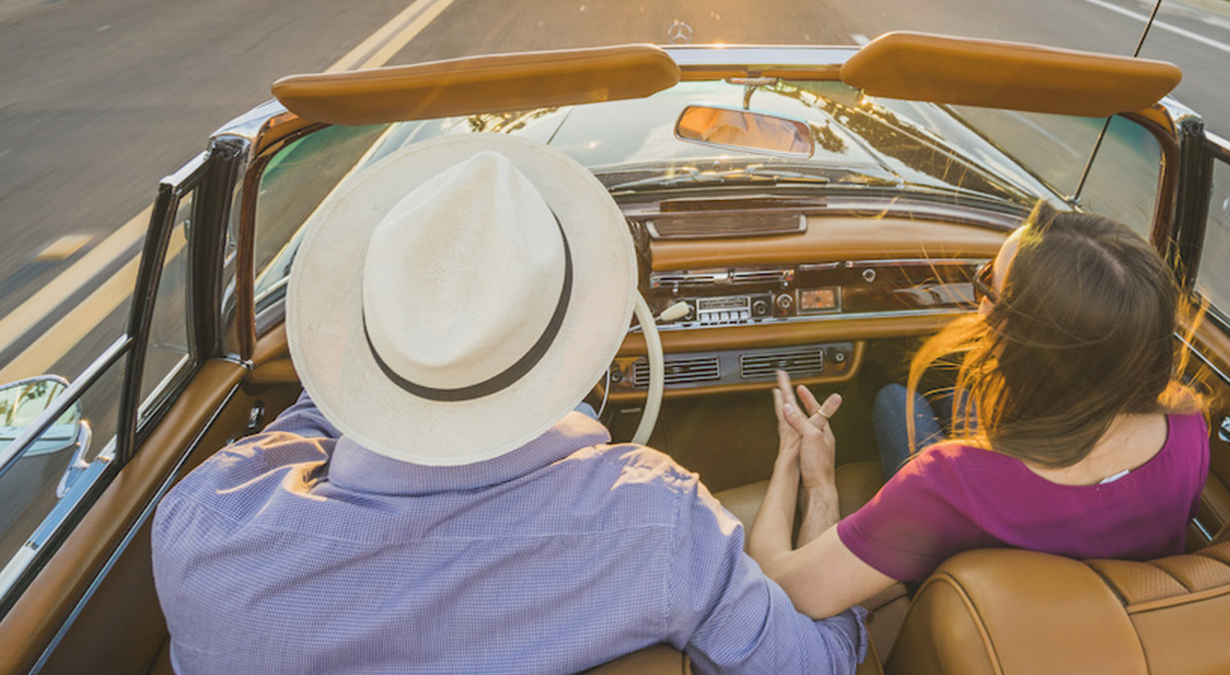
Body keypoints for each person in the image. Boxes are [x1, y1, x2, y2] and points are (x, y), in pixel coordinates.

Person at [153, 134, 865, 675]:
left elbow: (318, 416)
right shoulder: (658, 526)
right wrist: (820, 493)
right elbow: (820, 661)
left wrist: (409, 334)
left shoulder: (206, 526)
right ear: (591, 337)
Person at [746, 202, 1209, 619]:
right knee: (933, 402)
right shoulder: (1188, 426)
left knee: (894, 402)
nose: (981, 304)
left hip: (957, 616)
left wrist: (809, 472)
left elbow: (788, 590)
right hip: (1082, 627)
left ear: (1023, 339)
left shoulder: (947, 484)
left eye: (989, 282)